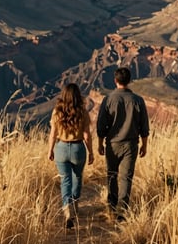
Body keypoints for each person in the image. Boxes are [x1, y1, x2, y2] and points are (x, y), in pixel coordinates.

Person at [97, 67, 149, 221]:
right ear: (129, 81)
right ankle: (122, 211)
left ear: (115, 81)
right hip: (131, 145)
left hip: (112, 144)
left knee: (112, 175)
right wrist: (144, 145)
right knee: (126, 177)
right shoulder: (138, 100)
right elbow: (144, 127)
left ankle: (111, 206)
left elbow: (101, 126)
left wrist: (100, 144)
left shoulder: (108, 99)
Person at [47, 83, 94, 229]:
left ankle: (67, 208)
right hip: (78, 148)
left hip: (61, 147)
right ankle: (74, 205)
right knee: (77, 177)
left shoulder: (57, 111)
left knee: (65, 180)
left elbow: (53, 134)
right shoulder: (82, 111)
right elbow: (87, 135)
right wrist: (91, 151)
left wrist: (50, 150)